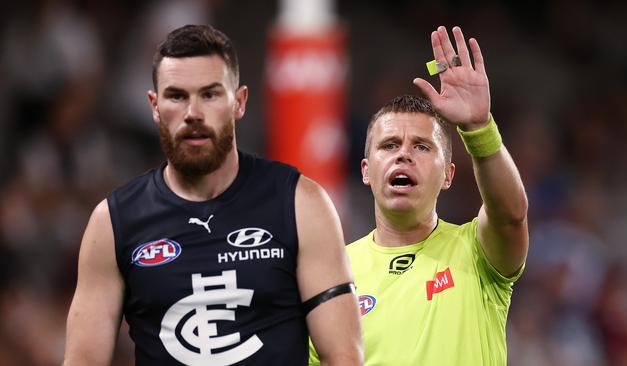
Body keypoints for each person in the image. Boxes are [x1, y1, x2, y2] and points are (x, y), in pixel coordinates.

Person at [63, 24, 363, 366]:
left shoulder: (300, 204)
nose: (193, 113)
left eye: (210, 94)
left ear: (239, 102)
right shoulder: (113, 223)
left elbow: (343, 357)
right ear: (154, 106)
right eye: (177, 96)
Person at [310, 25, 529, 365]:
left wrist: (478, 128)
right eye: (390, 145)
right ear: (366, 170)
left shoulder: (478, 251)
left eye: (422, 146)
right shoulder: (335, 276)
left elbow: (510, 214)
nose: (403, 154)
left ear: (448, 175)